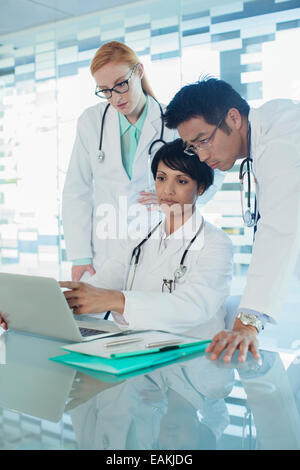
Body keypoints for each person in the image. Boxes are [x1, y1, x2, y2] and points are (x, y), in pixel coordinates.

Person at [62, 41, 224, 283]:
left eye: (120, 85)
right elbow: (77, 190)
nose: (115, 98)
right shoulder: (91, 122)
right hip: (104, 247)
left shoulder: (173, 122)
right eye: (105, 90)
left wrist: (176, 201)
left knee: (148, 314)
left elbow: (214, 171)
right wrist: (79, 256)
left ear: (138, 72)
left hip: (159, 241)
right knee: (95, 316)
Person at [163, 77, 300, 362]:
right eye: (193, 147)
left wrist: (247, 323)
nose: (201, 155)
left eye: (203, 141)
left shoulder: (282, 139)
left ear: (234, 118)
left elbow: (278, 230)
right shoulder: (262, 133)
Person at [59, 139, 233, 338]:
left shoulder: (216, 243)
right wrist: (64, 301)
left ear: (201, 188)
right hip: (139, 347)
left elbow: (194, 307)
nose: (167, 190)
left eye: (181, 181)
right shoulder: (139, 238)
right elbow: (100, 286)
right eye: (161, 178)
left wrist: (118, 301)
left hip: (193, 352)